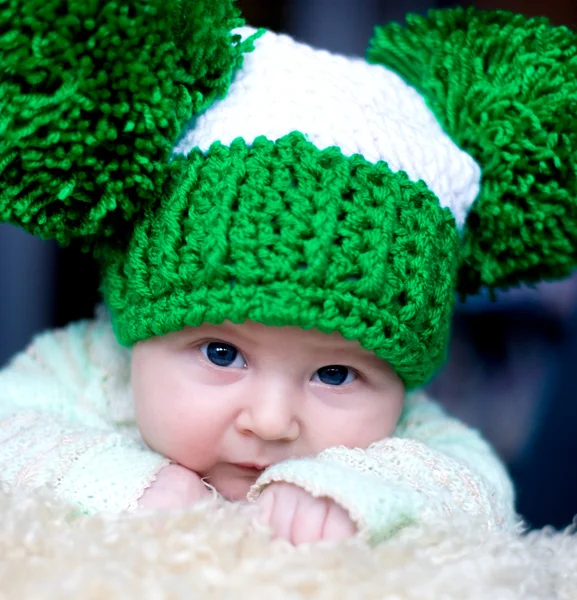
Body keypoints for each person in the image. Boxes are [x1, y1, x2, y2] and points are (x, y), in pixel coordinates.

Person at [0, 0, 575, 546]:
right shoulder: (87, 370)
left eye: (334, 373)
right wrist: (127, 483)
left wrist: (354, 497)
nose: (272, 422)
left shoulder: (408, 433)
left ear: (402, 380)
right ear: (138, 327)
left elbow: (480, 492)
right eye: (222, 353)